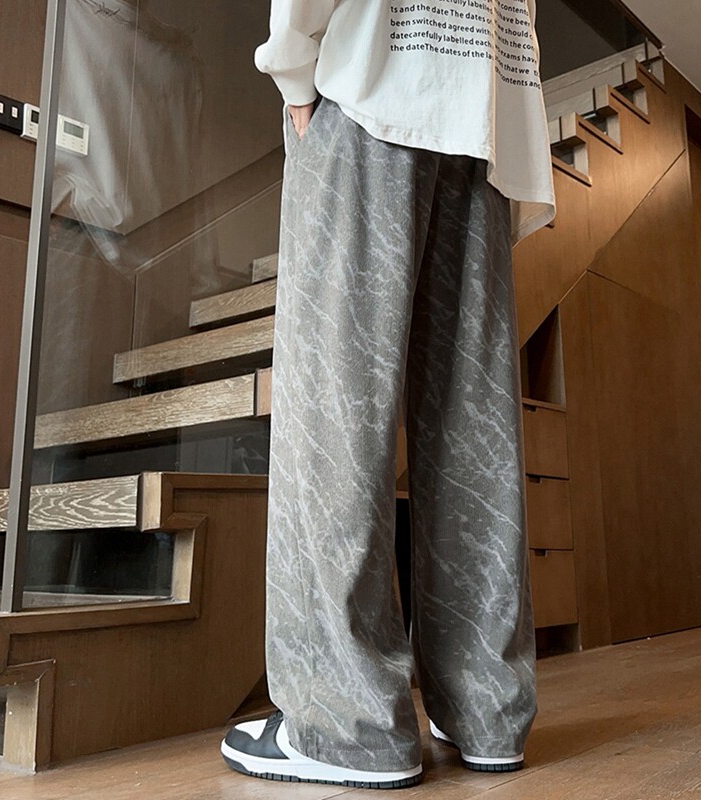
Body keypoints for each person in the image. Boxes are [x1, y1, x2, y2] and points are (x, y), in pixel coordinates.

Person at [220, 0, 556, 789]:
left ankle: (349, 724)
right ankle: (488, 707)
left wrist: (294, 75)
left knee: (333, 412)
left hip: (374, 86)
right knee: (470, 422)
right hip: (483, 109)